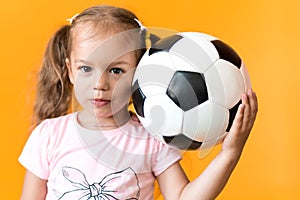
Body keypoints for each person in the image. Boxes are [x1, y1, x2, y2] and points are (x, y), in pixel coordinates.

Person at [18, 5, 258, 200]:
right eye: (86, 68)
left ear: (139, 73)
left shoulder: (151, 139)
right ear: (70, 70)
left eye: (116, 70)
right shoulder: (48, 136)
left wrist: (230, 152)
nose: (99, 84)